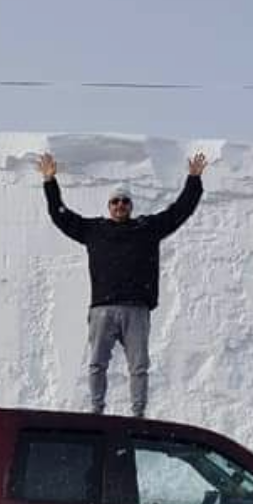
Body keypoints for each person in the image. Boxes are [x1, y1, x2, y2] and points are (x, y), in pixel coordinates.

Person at [38, 150, 207, 418]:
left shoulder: (146, 228)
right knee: (96, 364)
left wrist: (193, 180)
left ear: (131, 206)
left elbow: (178, 212)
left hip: (136, 310)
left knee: (138, 366)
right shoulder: (94, 230)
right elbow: (62, 216)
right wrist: (49, 182)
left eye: (125, 202)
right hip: (102, 309)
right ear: (109, 206)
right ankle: (97, 411)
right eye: (115, 202)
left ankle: (138, 413)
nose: (119, 206)